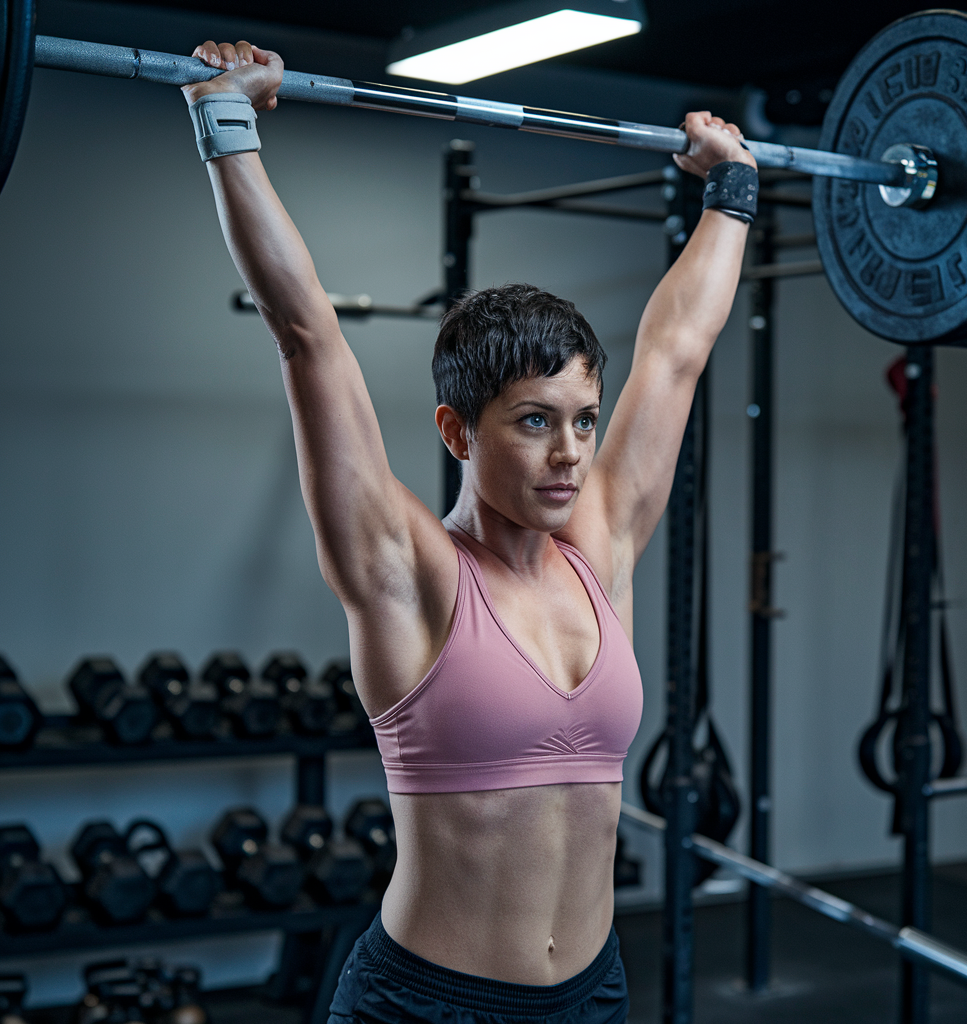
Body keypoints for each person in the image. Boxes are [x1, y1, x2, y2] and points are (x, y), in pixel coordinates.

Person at [181, 39, 756, 1024]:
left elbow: (676, 353)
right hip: (425, 1004)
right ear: (456, 429)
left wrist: (732, 189)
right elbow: (304, 330)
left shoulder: (599, 548)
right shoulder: (409, 570)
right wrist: (225, 122)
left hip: (592, 993)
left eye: (581, 419)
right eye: (534, 422)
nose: (571, 453)